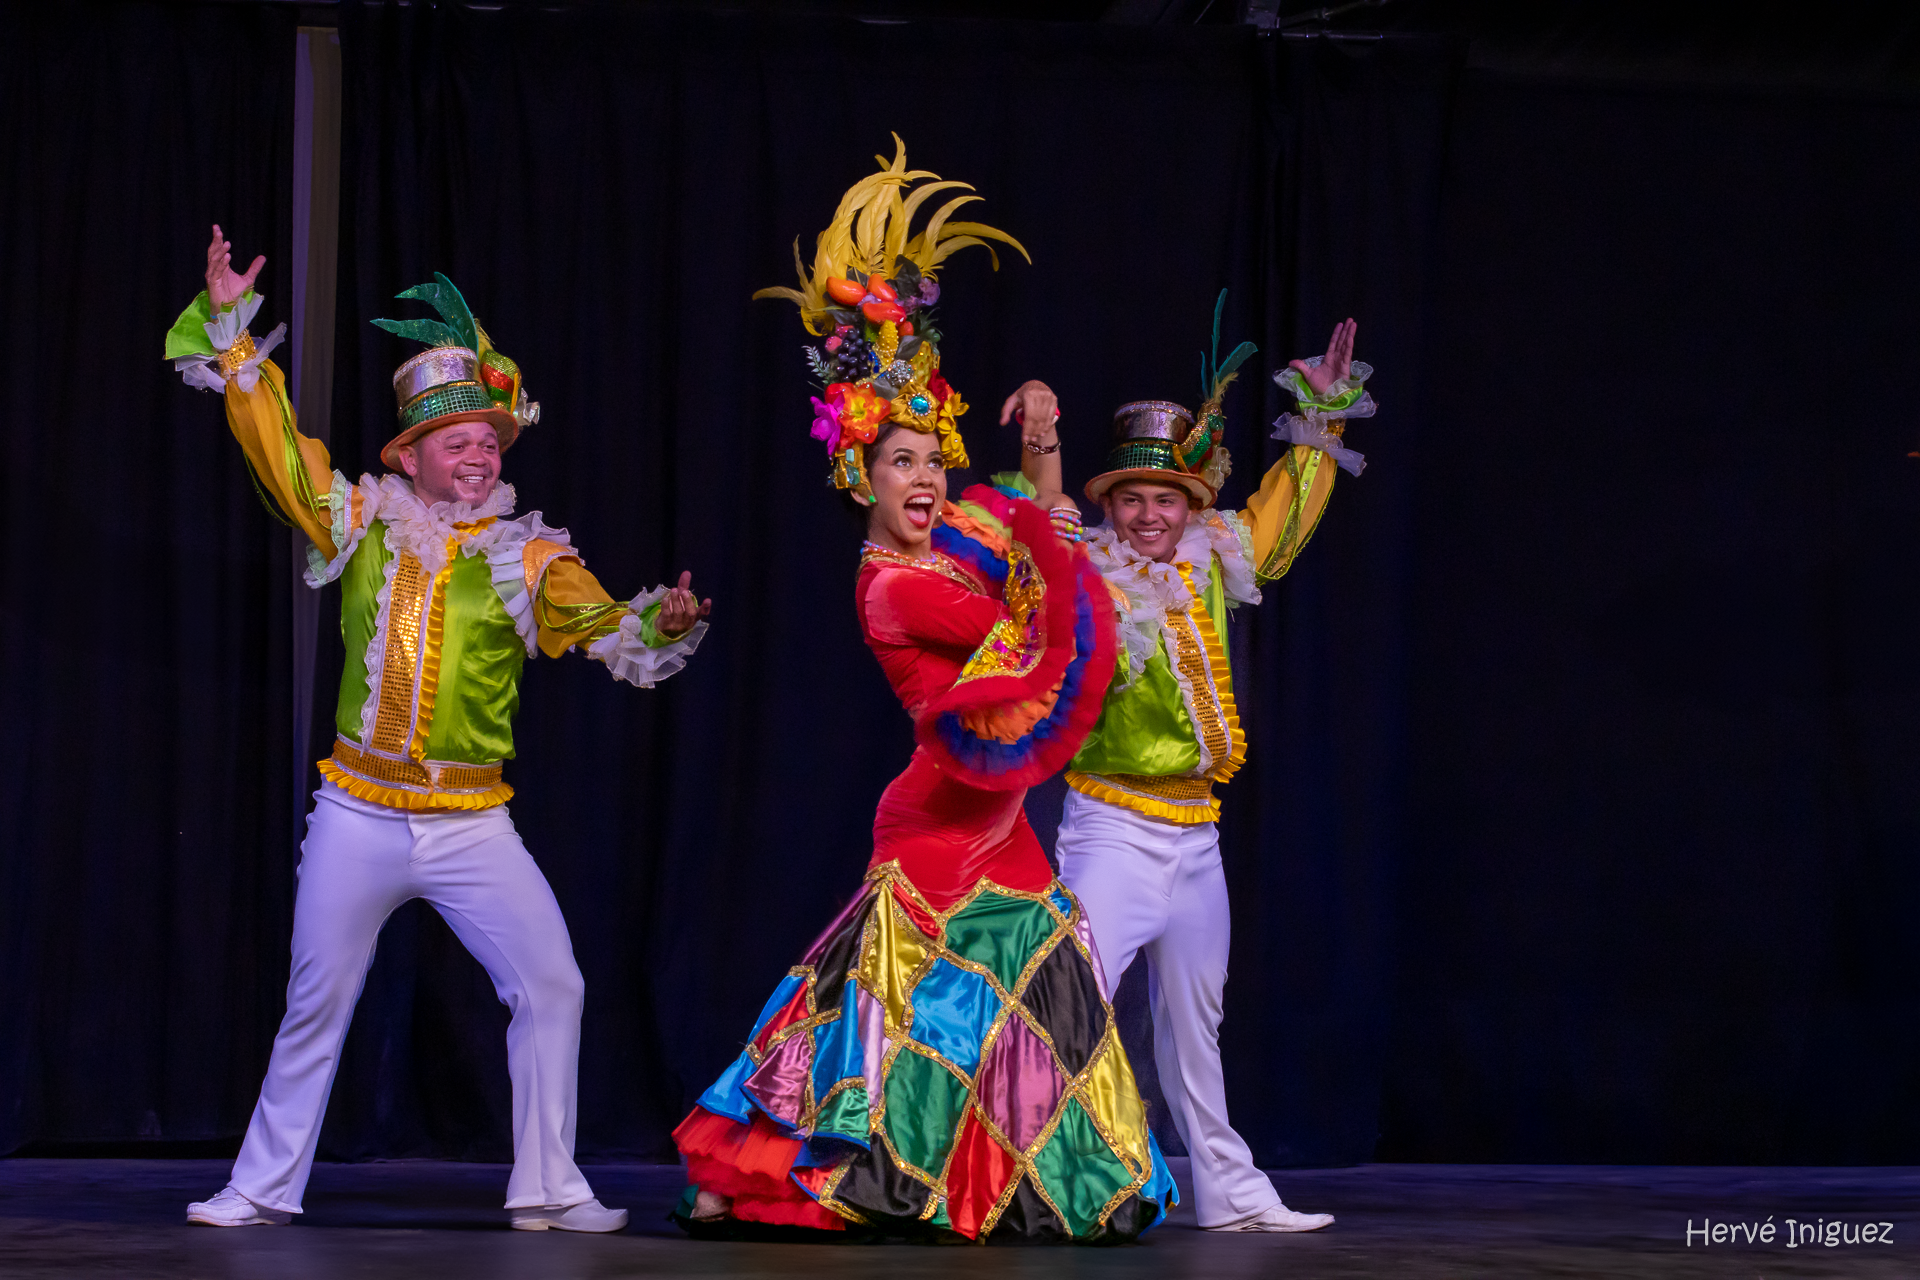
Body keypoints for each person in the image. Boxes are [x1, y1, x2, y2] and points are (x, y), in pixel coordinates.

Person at [669, 140, 1177, 1243]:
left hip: (999, 819)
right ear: (862, 475)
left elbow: (1040, 545)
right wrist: (1042, 539)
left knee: (1028, 998)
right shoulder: (896, 585)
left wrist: (1041, 445)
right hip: (939, 820)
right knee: (880, 1008)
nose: (927, 479)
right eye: (902, 463)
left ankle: (1025, 1175)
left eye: (933, 463)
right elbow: (1039, 603)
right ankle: (756, 1170)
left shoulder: (951, 543)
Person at [166, 227, 711, 1232]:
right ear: (411, 454)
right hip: (358, 809)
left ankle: (549, 1185)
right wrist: (238, 339)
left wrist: (661, 620)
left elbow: (605, 626)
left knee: (553, 982)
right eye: (456, 439)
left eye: (489, 439)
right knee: (315, 1002)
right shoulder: (361, 518)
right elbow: (281, 455)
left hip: (469, 821)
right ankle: (260, 1184)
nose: (478, 451)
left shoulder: (529, 557)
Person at [1053, 296, 1373, 1232]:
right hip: (1110, 824)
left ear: (1190, 504)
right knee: (1069, 1005)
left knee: (1199, 1027)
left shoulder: (1213, 554)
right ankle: (1058, 1178)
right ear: (1109, 503)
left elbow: (1282, 512)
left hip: (1196, 836)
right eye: (1132, 500)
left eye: (1166, 499)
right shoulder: (1081, 572)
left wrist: (1321, 418)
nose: (1150, 516)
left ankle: (1227, 1192)